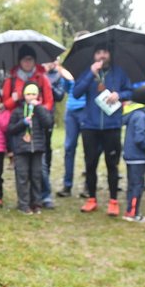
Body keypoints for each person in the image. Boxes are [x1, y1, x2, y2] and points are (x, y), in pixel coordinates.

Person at [72, 42, 132, 217]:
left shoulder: (119, 72)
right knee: (90, 163)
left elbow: (130, 91)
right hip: (90, 125)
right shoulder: (87, 72)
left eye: (105, 52)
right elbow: (76, 92)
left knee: (111, 164)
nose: (102, 56)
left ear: (110, 55)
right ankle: (91, 199)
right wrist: (90, 75)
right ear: (94, 56)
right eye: (98, 52)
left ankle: (113, 201)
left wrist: (119, 95)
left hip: (112, 125)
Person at [7, 83, 52, 214]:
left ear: (38, 95)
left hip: (37, 148)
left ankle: (36, 203)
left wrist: (39, 109)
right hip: (21, 149)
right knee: (22, 176)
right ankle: (23, 204)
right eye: (28, 94)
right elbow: (10, 129)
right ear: (24, 95)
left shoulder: (41, 109)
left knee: (36, 176)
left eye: (33, 94)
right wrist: (23, 123)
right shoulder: (17, 111)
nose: (31, 97)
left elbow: (48, 123)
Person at [57, 31, 89, 198]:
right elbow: (65, 91)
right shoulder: (69, 65)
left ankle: (88, 186)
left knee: (88, 149)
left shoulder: (93, 65)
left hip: (87, 110)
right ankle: (67, 185)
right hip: (71, 110)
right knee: (69, 148)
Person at [41, 59, 73, 208]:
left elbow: (60, 96)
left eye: (54, 60)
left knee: (47, 148)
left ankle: (45, 177)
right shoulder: (37, 74)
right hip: (33, 116)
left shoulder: (57, 76)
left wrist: (48, 82)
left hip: (48, 115)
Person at [121, 85, 145, 223]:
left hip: (130, 156)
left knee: (131, 184)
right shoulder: (140, 116)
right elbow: (140, 137)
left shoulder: (132, 114)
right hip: (138, 157)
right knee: (137, 186)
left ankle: (130, 209)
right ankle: (133, 213)